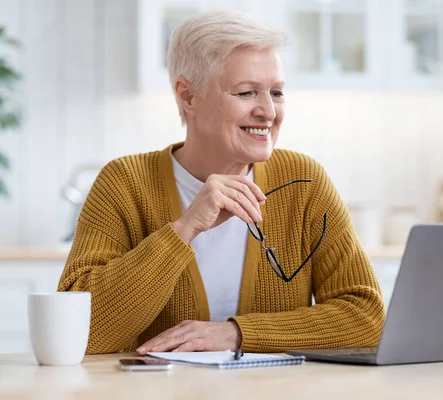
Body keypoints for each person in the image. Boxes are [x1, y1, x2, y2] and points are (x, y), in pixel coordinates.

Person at [57, 11, 385, 355]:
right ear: (188, 96)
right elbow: (78, 330)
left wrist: (236, 334)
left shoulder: (304, 181)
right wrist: (184, 230)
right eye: (246, 93)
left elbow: (367, 317)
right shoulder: (124, 183)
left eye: (276, 92)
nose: (269, 112)